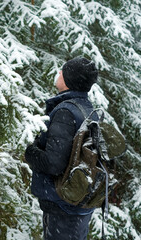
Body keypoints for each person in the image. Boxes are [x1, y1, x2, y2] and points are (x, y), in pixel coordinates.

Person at [25, 57, 99, 240]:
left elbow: (53, 164)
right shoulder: (88, 109)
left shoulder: (65, 112)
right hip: (77, 201)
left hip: (63, 206)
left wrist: (29, 151)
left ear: (69, 79)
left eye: (62, 71)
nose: (58, 73)